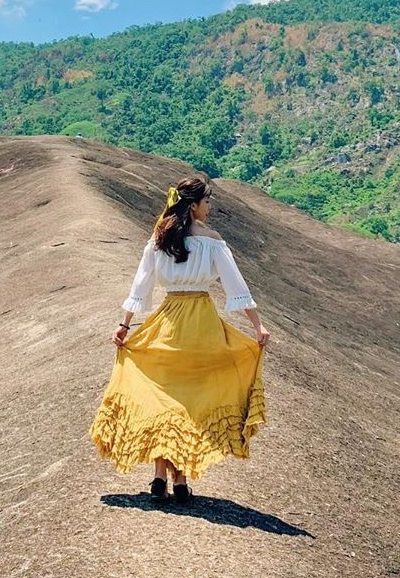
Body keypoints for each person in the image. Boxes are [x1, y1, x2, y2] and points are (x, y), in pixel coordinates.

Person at [89, 175, 270, 505]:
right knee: (192, 403)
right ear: (194, 205)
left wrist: (124, 325)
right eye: (207, 202)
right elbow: (236, 287)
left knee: (165, 399)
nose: (209, 208)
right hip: (201, 325)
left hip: (168, 323)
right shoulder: (213, 241)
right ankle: (181, 480)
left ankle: (160, 476)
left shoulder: (159, 238)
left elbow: (140, 286)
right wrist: (257, 326)